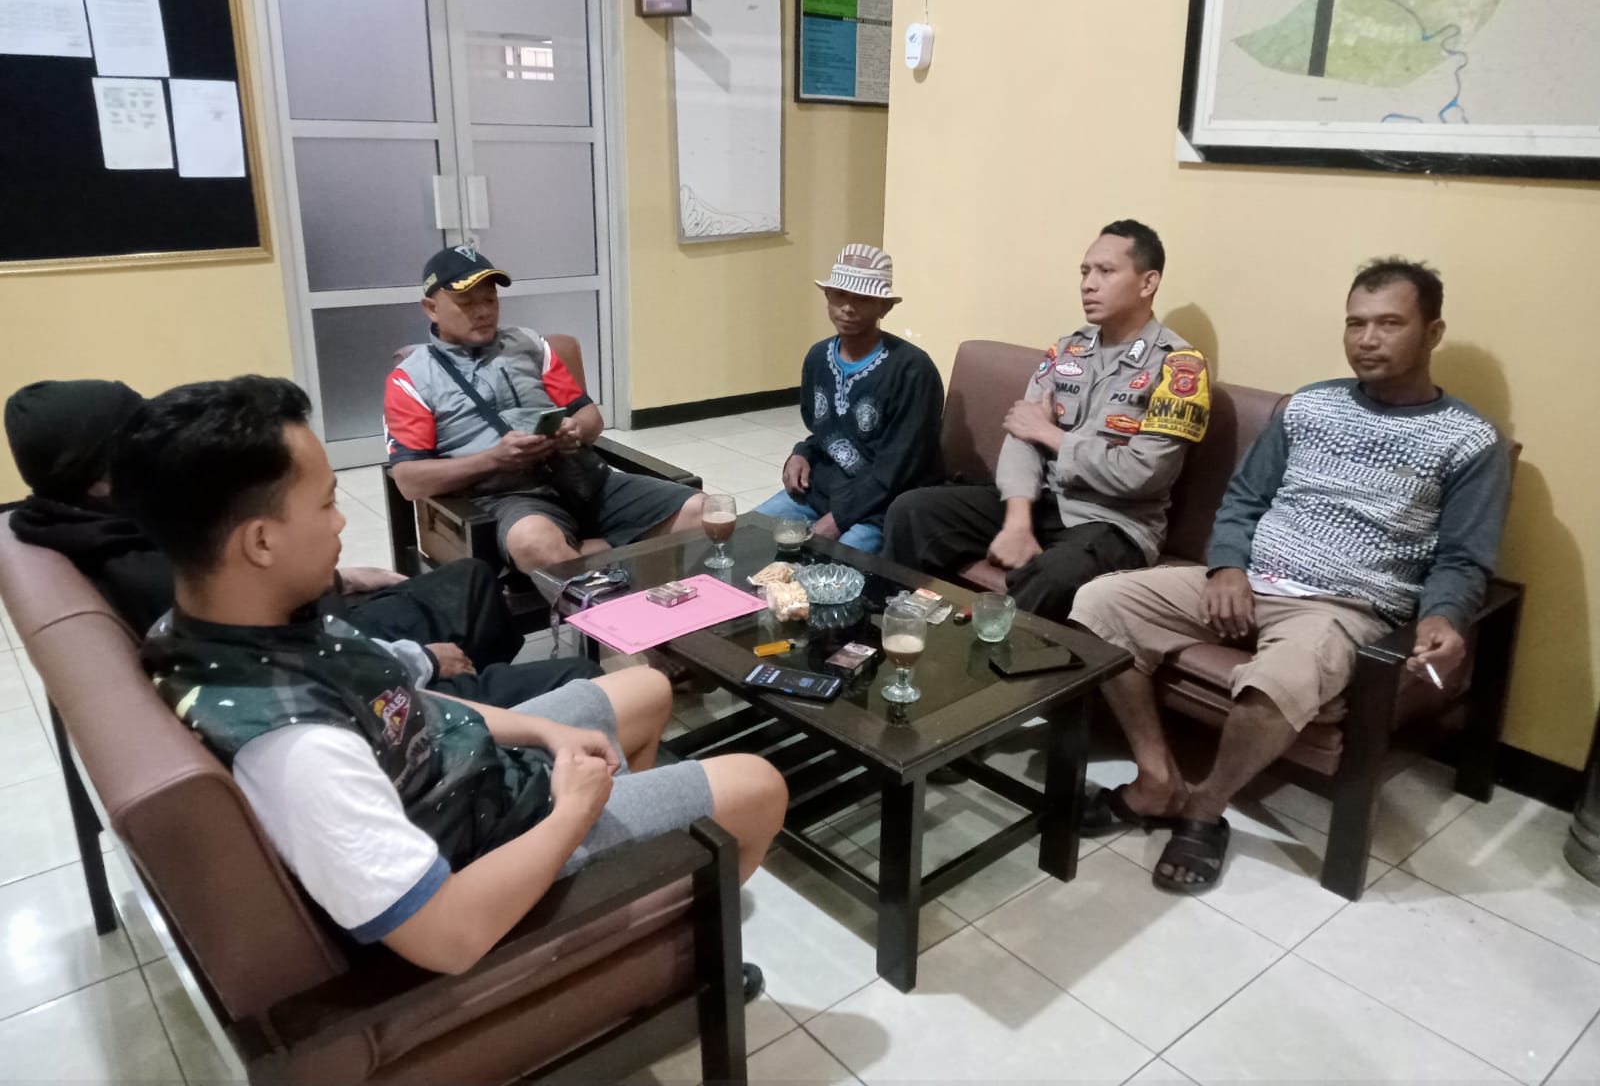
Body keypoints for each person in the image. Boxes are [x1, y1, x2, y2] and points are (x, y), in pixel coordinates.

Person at [112, 375, 788, 979]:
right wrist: (577, 811)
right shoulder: (298, 752)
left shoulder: (226, 623)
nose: (342, 520)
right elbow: (447, 937)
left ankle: (640, 903)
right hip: (490, 850)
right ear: (260, 542)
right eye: (325, 505)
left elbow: (397, 700)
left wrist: (545, 733)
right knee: (757, 786)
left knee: (648, 687)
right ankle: (671, 951)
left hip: (467, 778)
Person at [1071, 258, 1510, 894]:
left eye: (1389, 323)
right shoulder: (1308, 406)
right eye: (1355, 323)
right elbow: (1244, 499)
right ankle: (1157, 780)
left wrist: (1444, 616)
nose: (1367, 339)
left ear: (1432, 332)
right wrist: (1227, 567)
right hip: (1250, 579)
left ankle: (1204, 808)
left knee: (1281, 679)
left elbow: (1464, 557)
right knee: (1098, 603)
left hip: (1343, 606)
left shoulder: (1469, 441)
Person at [4, 378, 603, 707]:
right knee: (572, 671)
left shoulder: (79, 521)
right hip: (341, 665)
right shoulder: (149, 568)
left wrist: (343, 577)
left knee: (469, 579)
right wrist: (419, 662)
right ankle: (471, 696)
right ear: (100, 476)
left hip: (325, 636)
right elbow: (278, 664)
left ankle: (479, 690)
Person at [882, 219, 1209, 621]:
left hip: (1113, 523)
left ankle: (987, 659)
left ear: (1148, 282)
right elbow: (1022, 433)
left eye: (1105, 271)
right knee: (912, 511)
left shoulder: (1178, 367)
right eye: (1085, 272)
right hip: (1042, 503)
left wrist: (1051, 435)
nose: (1088, 284)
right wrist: (1018, 520)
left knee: (1053, 576)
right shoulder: (1069, 350)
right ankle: (894, 629)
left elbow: (1143, 474)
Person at [384, 246, 704, 574]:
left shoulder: (530, 345)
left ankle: (601, 559)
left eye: (490, 299)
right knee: (535, 543)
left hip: (582, 479)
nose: (482, 312)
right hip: (510, 497)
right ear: (431, 308)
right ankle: (608, 583)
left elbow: (590, 416)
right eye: (466, 303)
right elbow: (409, 480)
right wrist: (494, 459)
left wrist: (575, 430)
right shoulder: (411, 379)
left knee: (702, 512)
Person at [753, 243, 944, 552]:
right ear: (827, 297)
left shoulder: (912, 370)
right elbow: (824, 432)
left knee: (832, 566)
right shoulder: (818, 357)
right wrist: (801, 453)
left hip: (882, 508)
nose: (848, 307)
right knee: (748, 536)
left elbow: (900, 467)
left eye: (863, 299)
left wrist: (839, 519)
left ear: (884, 307)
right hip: (821, 494)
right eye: (840, 295)